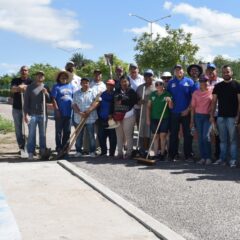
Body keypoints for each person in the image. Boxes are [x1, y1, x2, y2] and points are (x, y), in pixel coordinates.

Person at [210, 65, 240, 167]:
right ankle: (222, 159)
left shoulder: (237, 85)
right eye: (224, 72)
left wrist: (238, 116)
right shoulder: (218, 86)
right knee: (222, 140)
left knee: (233, 140)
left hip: (232, 117)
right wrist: (211, 116)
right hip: (221, 117)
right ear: (221, 74)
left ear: (231, 72)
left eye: (227, 72)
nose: (226, 74)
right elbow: (214, 102)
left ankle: (233, 160)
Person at [167, 64, 197, 162]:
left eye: (180, 69)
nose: (178, 71)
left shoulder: (189, 81)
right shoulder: (171, 82)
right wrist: (169, 102)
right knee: (174, 134)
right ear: (174, 72)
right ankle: (173, 155)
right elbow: (167, 96)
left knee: (187, 135)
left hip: (186, 113)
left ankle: (188, 155)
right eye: (176, 70)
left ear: (183, 71)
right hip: (174, 113)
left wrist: (188, 109)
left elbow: (194, 97)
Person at [23, 71, 50, 160]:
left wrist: (46, 93)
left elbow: (49, 100)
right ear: (35, 77)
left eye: (42, 75)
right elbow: (26, 102)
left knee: (43, 135)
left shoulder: (45, 87)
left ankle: (42, 152)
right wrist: (25, 114)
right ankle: (31, 152)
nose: (40, 77)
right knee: (31, 134)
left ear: (44, 77)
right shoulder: (30, 88)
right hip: (32, 115)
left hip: (43, 115)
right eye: (38, 75)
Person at [72, 77, 99, 157]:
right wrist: (80, 113)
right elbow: (74, 104)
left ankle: (92, 151)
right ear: (81, 84)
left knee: (91, 136)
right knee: (78, 136)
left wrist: (89, 111)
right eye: (83, 83)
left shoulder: (93, 92)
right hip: (79, 118)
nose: (85, 84)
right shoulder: (76, 93)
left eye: (86, 83)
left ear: (89, 84)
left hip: (90, 118)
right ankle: (78, 151)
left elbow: (97, 102)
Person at [146, 79, 173, 160]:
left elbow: (171, 107)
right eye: (156, 84)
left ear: (163, 85)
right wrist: (148, 119)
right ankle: (156, 154)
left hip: (164, 118)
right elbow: (148, 107)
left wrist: (170, 101)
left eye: (160, 84)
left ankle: (162, 154)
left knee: (163, 135)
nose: (158, 86)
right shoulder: (152, 94)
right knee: (155, 136)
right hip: (154, 118)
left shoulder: (167, 94)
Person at [113, 75, 138, 159]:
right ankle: (120, 153)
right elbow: (115, 101)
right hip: (118, 116)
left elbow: (134, 101)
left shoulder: (132, 91)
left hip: (129, 115)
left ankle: (129, 153)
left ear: (128, 82)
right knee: (119, 135)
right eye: (122, 81)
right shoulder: (116, 91)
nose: (124, 83)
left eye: (125, 81)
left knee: (128, 135)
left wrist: (122, 98)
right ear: (120, 83)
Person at [191, 75, 213, 165]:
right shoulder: (195, 93)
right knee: (200, 138)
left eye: (206, 80)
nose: (204, 82)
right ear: (200, 82)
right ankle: (203, 157)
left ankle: (208, 157)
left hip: (208, 116)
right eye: (202, 81)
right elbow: (192, 107)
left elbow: (214, 103)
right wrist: (192, 121)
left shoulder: (212, 89)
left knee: (206, 137)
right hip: (198, 116)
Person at [10, 66, 32, 155]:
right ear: (20, 71)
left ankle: (31, 147)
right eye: (22, 70)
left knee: (31, 128)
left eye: (25, 70)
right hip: (17, 108)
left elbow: (33, 90)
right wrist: (20, 87)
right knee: (18, 129)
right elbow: (13, 89)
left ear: (28, 72)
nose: (24, 71)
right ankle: (21, 147)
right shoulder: (15, 80)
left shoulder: (31, 81)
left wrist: (25, 87)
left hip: (28, 109)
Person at [51, 71, 74, 154]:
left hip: (69, 113)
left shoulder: (71, 86)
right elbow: (53, 99)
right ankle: (58, 147)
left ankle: (65, 147)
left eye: (65, 77)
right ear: (59, 78)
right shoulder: (56, 86)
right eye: (62, 77)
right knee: (58, 132)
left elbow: (73, 98)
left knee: (67, 131)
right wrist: (56, 110)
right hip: (59, 113)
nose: (64, 78)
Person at [205, 63, 223, 161]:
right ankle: (207, 156)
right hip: (206, 113)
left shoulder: (221, 81)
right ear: (206, 71)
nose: (211, 72)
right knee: (207, 135)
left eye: (213, 70)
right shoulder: (204, 82)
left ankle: (218, 156)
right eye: (209, 70)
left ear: (216, 71)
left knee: (218, 136)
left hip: (219, 112)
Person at [136, 69, 156, 153]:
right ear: (144, 77)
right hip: (142, 113)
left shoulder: (156, 86)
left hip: (154, 113)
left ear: (153, 77)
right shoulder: (140, 87)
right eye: (146, 76)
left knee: (151, 132)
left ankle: (152, 149)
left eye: (150, 75)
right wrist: (139, 102)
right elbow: (136, 100)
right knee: (142, 132)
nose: (148, 77)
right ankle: (143, 149)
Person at [97, 79, 117, 157]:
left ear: (114, 86)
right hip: (102, 118)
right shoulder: (102, 94)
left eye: (111, 85)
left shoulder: (116, 94)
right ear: (106, 85)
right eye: (108, 84)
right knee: (101, 136)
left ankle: (112, 153)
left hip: (112, 119)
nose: (109, 86)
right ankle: (104, 152)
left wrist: (112, 114)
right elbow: (97, 104)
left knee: (112, 137)